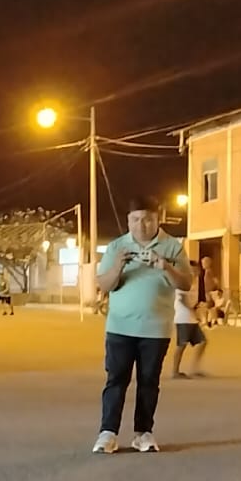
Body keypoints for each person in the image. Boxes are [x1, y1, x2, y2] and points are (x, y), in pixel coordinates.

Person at [93, 195, 193, 454]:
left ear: (158, 219)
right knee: (116, 380)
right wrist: (118, 266)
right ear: (128, 221)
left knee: (149, 382)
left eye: (147, 219)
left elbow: (186, 283)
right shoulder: (116, 247)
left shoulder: (172, 247)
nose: (141, 225)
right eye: (135, 219)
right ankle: (108, 433)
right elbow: (104, 285)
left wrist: (164, 266)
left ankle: (143, 433)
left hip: (155, 329)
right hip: (119, 327)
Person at [171, 284, 207, 379]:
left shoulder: (192, 283)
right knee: (181, 345)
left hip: (191, 319)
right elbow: (182, 299)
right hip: (183, 318)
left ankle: (194, 369)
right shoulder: (183, 283)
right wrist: (193, 309)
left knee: (202, 342)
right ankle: (175, 371)